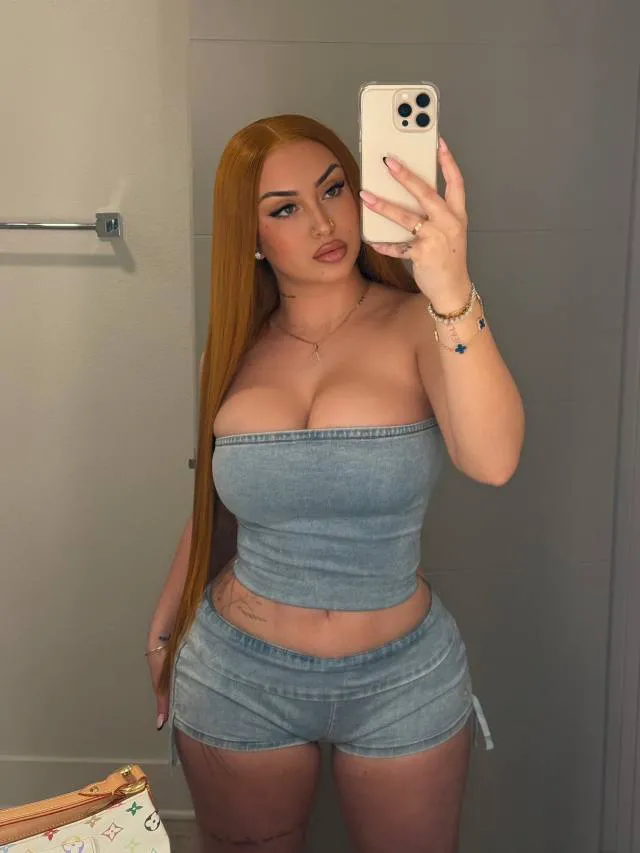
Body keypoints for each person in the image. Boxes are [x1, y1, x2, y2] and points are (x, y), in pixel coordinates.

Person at [146, 113, 525, 853]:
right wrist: (165, 625)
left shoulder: (423, 323)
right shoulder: (231, 349)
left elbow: (494, 460)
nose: (323, 221)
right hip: (236, 671)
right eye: (285, 208)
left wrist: (451, 286)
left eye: (332, 190)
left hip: (402, 676)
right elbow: (215, 507)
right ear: (252, 235)